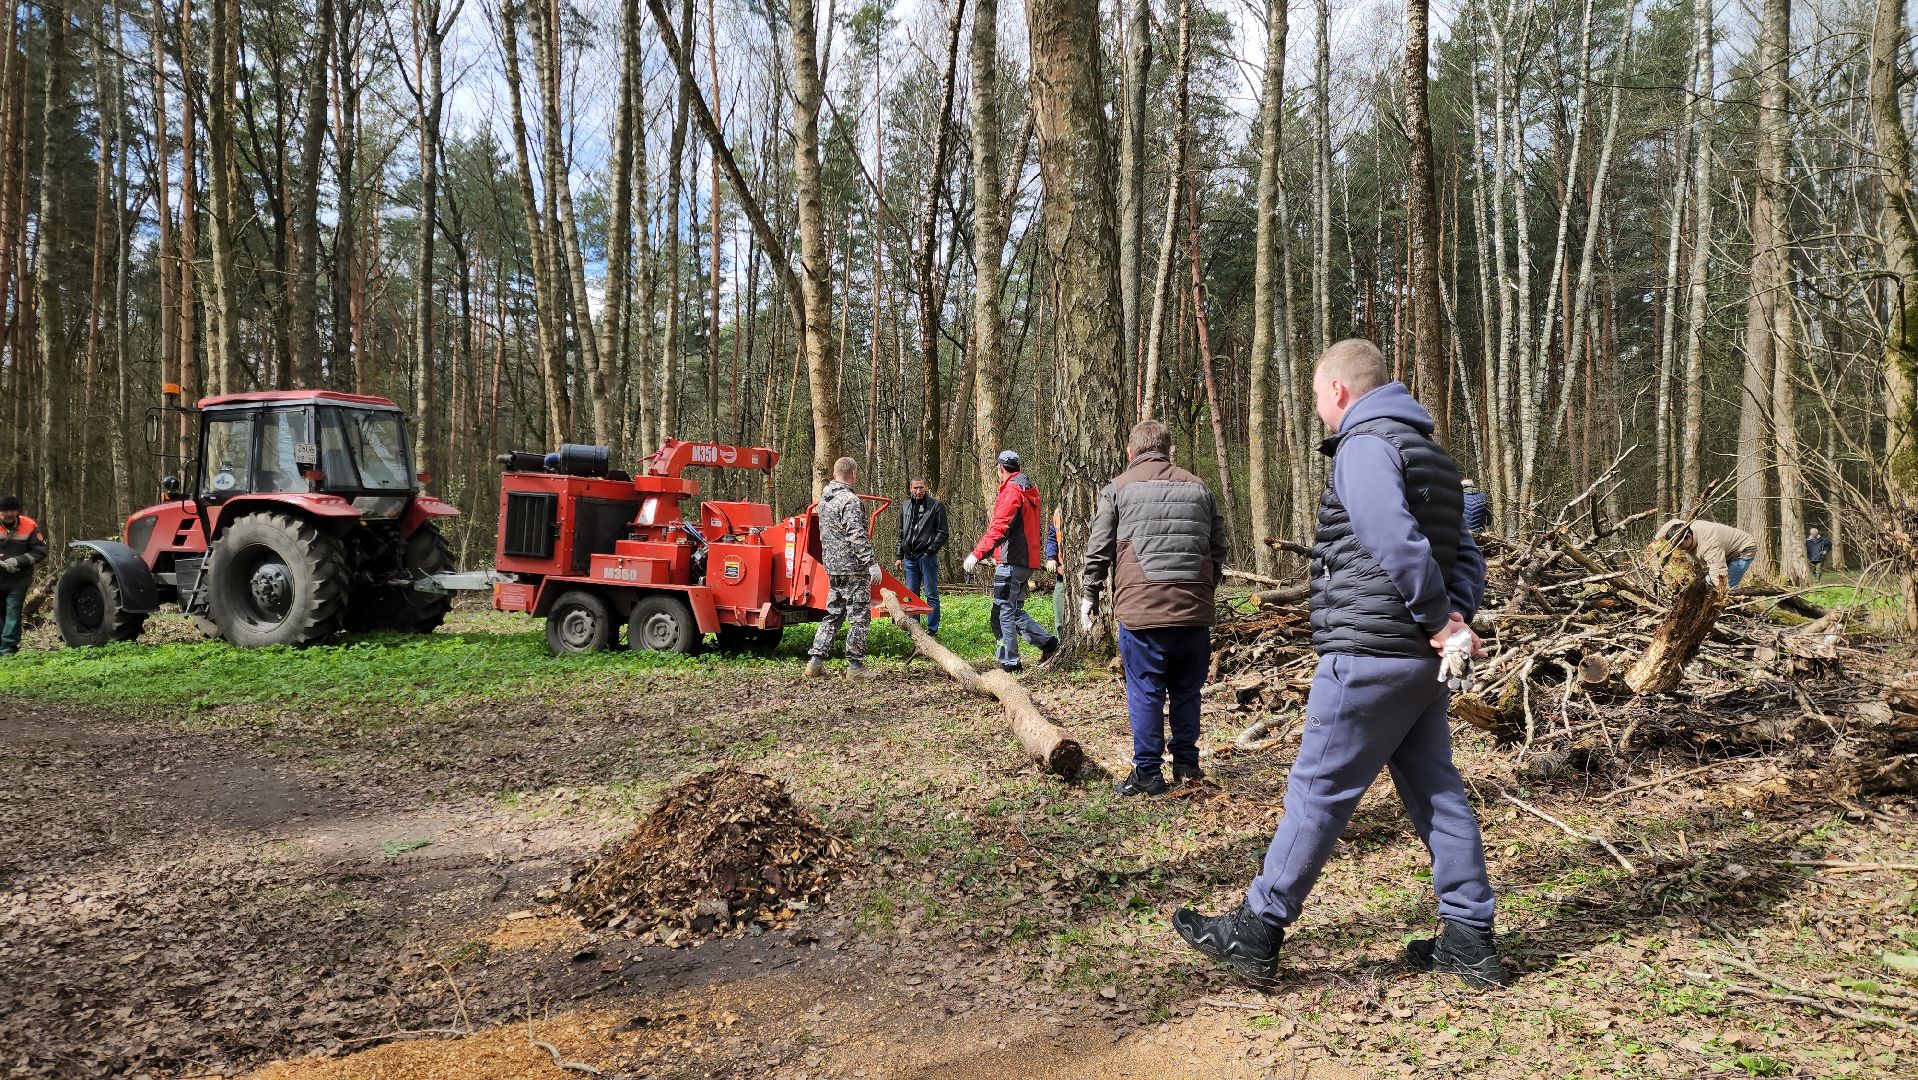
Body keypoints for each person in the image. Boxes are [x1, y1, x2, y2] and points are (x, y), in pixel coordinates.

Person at [1173, 339, 1505, 989]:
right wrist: (1452, 618)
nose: (1321, 413)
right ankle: (1470, 936)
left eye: (1319, 398)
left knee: (1317, 792)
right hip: (1417, 665)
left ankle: (1257, 928)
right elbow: (1469, 555)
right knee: (1436, 791)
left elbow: (1389, 533)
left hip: (1366, 656)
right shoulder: (1432, 457)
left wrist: (1441, 619)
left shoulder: (1366, 446)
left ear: (1339, 392)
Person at [1080, 419, 1227, 796]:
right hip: (1193, 611)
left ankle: (1147, 772)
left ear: (1131, 452)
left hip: (1142, 612)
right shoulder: (1200, 487)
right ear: (1169, 450)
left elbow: (1099, 549)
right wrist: (1207, 586)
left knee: (1146, 689)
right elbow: (1218, 546)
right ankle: (1187, 765)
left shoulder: (1117, 489)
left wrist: (1088, 596)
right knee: (1186, 691)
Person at [964, 450, 1060, 672]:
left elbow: (999, 527)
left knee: (1001, 614)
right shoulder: (1027, 488)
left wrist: (977, 553)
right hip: (1025, 561)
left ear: (1000, 468)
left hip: (1012, 561)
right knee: (1014, 611)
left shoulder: (1012, 491)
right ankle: (1049, 643)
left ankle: (1010, 663)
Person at [806, 458, 883, 679]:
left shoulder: (824, 501)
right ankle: (856, 667)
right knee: (859, 616)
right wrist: (871, 563)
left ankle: (815, 662)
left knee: (833, 614)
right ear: (853, 475)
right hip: (852, 568)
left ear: (834, 472)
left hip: (832, 567)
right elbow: (856, 535)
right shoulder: (850, 501)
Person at [895, 478, 948, 636]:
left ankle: (932, 631)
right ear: (910, 488)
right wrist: (899, 556)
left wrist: (929, 552)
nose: (918, 491)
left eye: (921, 487)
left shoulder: (936, 506)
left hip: (927, 557)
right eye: (915, 488)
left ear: (926, 488)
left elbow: (943, 533)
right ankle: (914, 630)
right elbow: (901, 533)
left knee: (931, 594)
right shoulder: (906, 506)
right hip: (909, 558)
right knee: (911, 596)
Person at [0, 495, 47, 657]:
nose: (8, 514)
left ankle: (8, 647)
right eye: (4, 510)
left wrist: (18, 561)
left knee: (13, 610)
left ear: (17, 511)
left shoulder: (29, 525)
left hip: (20, 578)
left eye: (12, 510)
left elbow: (40, 552)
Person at [1655, 518, 1758, 591]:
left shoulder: (1709, 543)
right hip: (1723, 551)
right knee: (1707, 582)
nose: (1677, 548)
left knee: (1727, 586)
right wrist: (1656, 543)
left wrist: (1720, 596)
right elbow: (1672, 523)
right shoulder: (1683, 527)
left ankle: (1730, 609)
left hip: (1742, 550)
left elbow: (1718, 572)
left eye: (1680, 544)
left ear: (1689, 537)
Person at [1044, 506, 1066, 635]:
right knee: (1058, 602)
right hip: (1061, 572)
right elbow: (1052, 538)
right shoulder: (1057, 512)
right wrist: (1051, 558)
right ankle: (1060, 641)